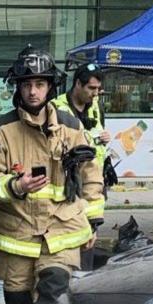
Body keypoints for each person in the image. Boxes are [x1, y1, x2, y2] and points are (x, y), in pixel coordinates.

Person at [0, 45, 105, 304]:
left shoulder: (70, 126)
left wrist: (93, 220)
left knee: (52, 295)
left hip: (62, 232)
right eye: (26, 84)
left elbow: (91, 173)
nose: (33, 91)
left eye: (40, 84)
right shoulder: (0, 132)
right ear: (17, 87)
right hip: (16, 234)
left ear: (50, 87)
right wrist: (16, 186)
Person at [52, 63, 111, 271]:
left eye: (97, 89)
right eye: (91, 88)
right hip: (69, 182)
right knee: (68, 231)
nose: (95, 94)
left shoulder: (94, 107)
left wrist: (104, 139)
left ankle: (81, 274)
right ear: (78, 83)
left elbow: (96, 137)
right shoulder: (57, 108)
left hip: (94, 180)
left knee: (89, 232)